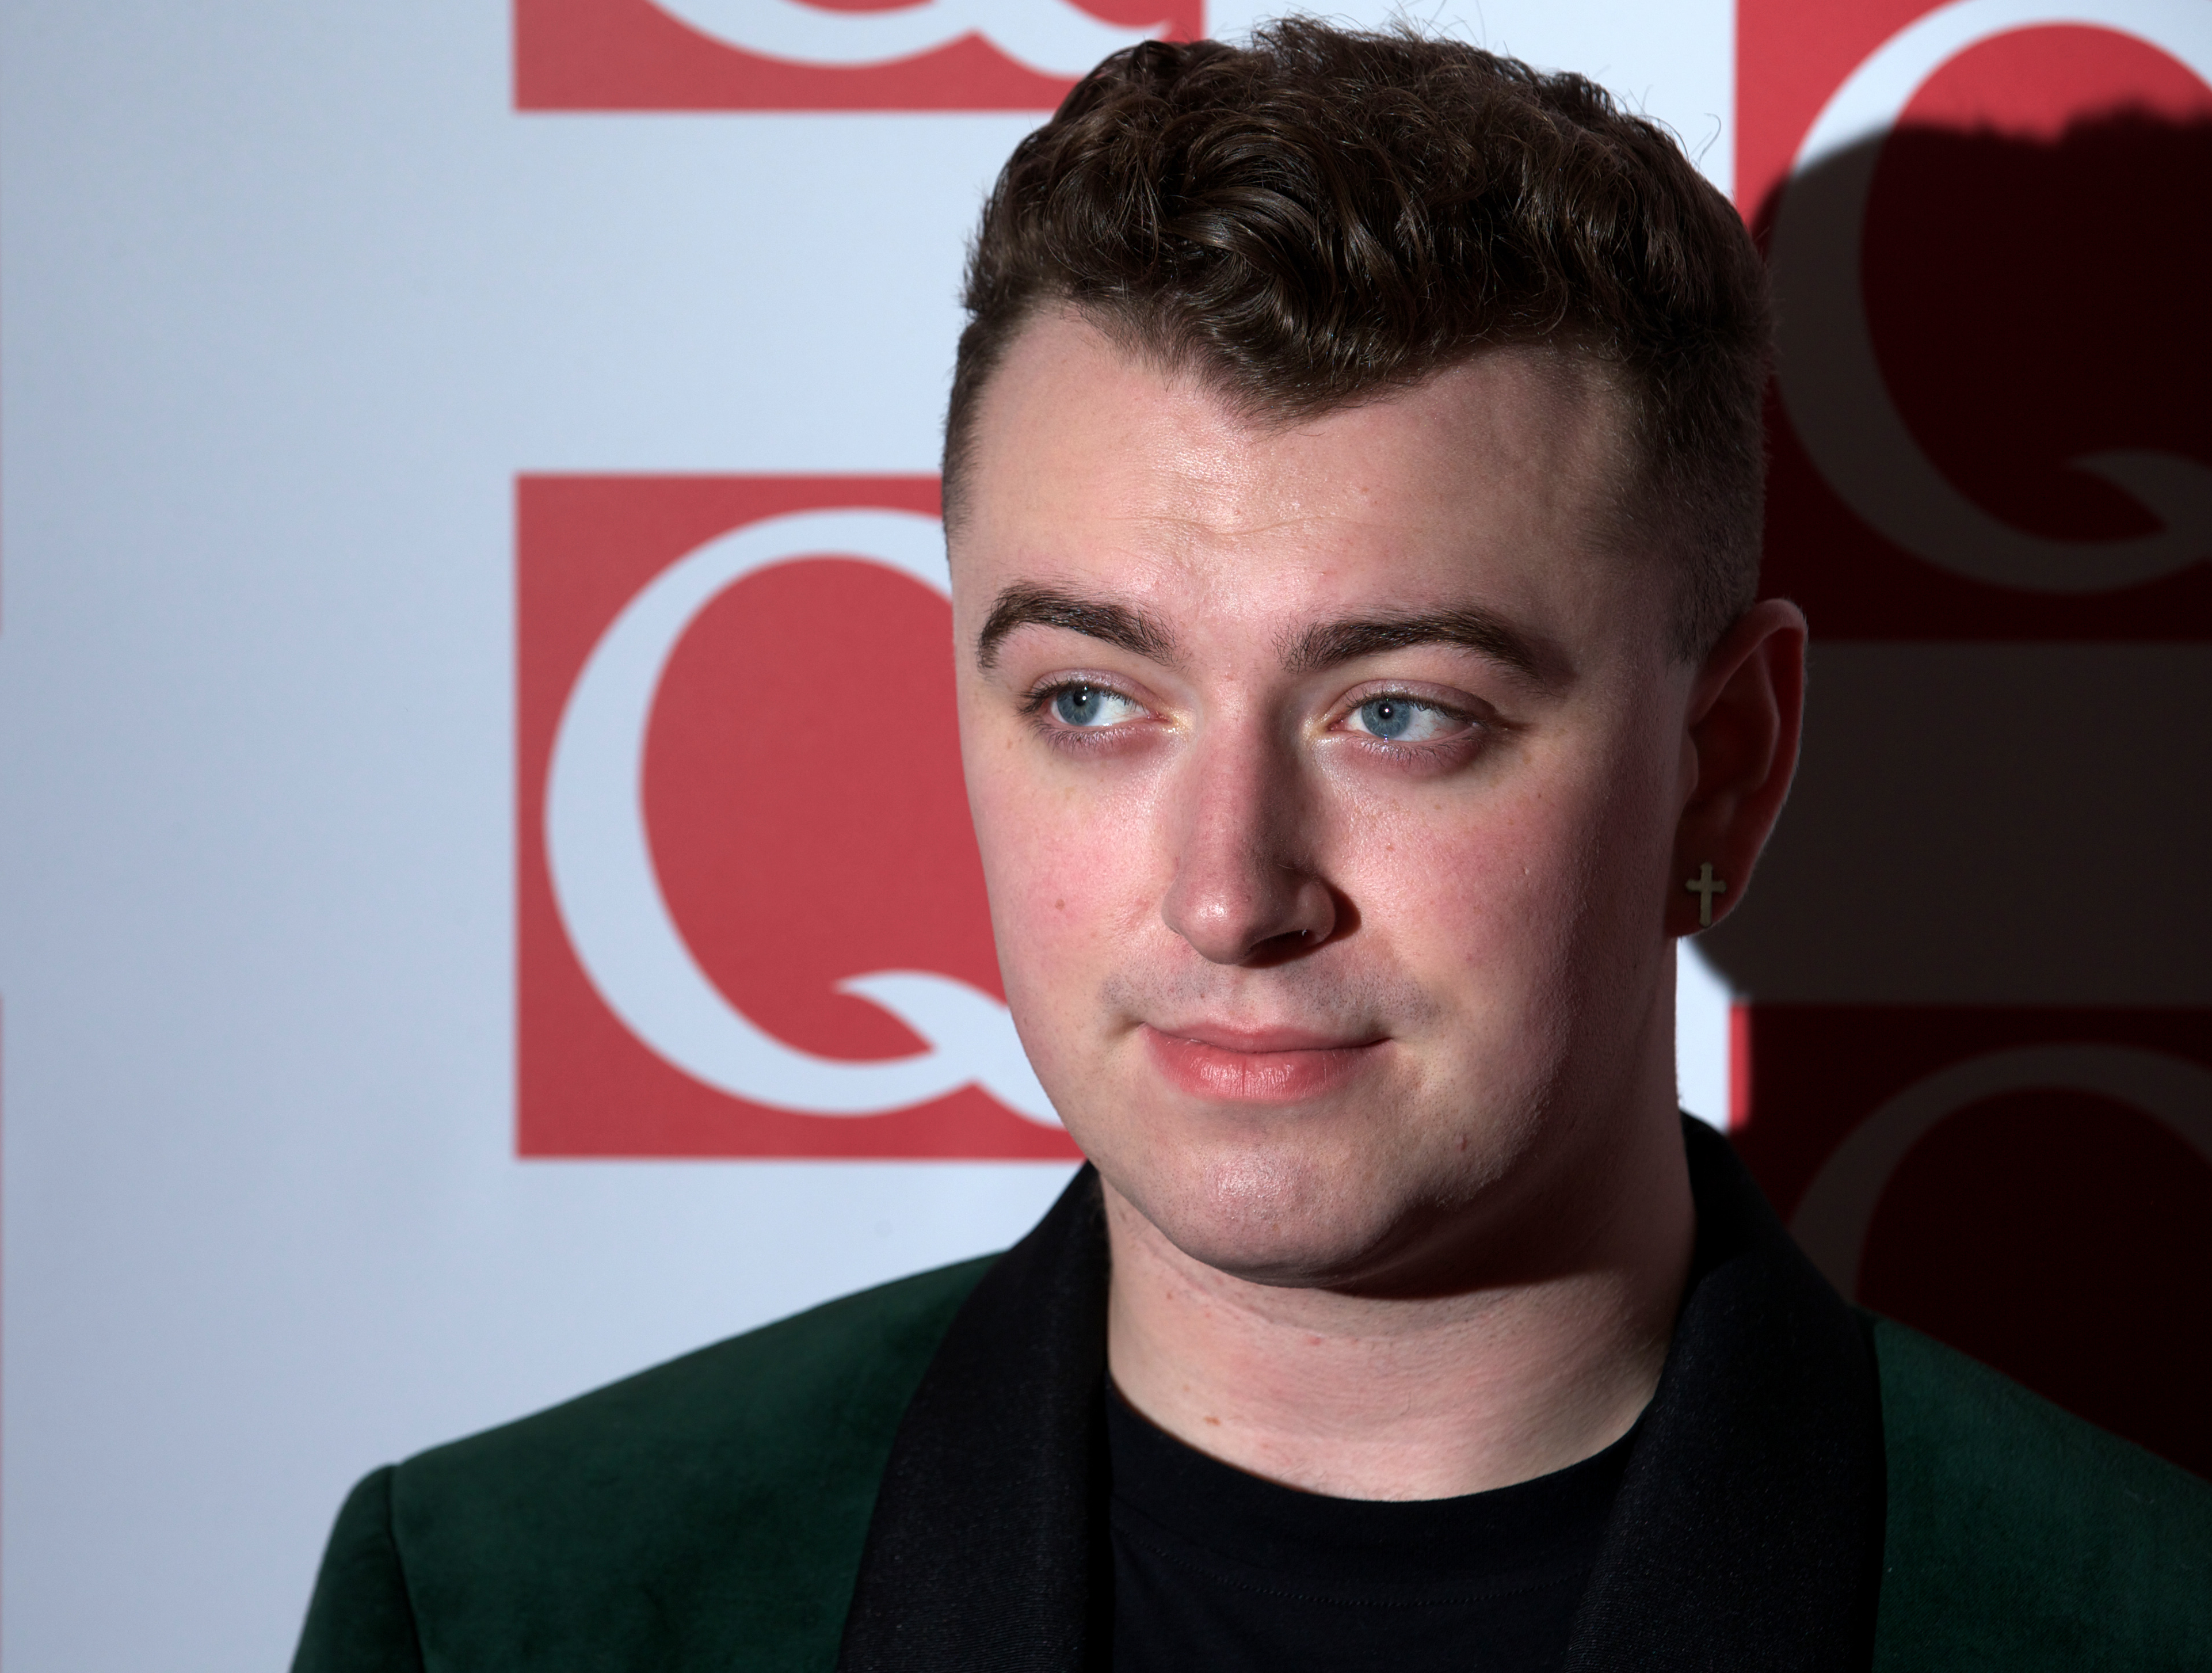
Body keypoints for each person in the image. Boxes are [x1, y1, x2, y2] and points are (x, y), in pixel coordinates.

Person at [292, 21, 2211, 1671]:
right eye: (1091, 701)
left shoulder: (2134, 1617)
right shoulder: (507, 1606)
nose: (1228, 889)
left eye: (1400, 712)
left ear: (1722, 764)